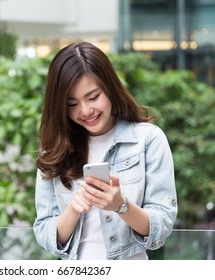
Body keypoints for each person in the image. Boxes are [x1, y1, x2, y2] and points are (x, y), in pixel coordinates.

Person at [33, 41, 178, 260]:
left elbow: (162, 226)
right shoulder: (54, 152)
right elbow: (45, 232)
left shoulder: (148, 140)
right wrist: (74, 209)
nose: (85, 110)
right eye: (72, 104)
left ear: (110, 87)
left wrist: (120, 205)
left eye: (93, 97)